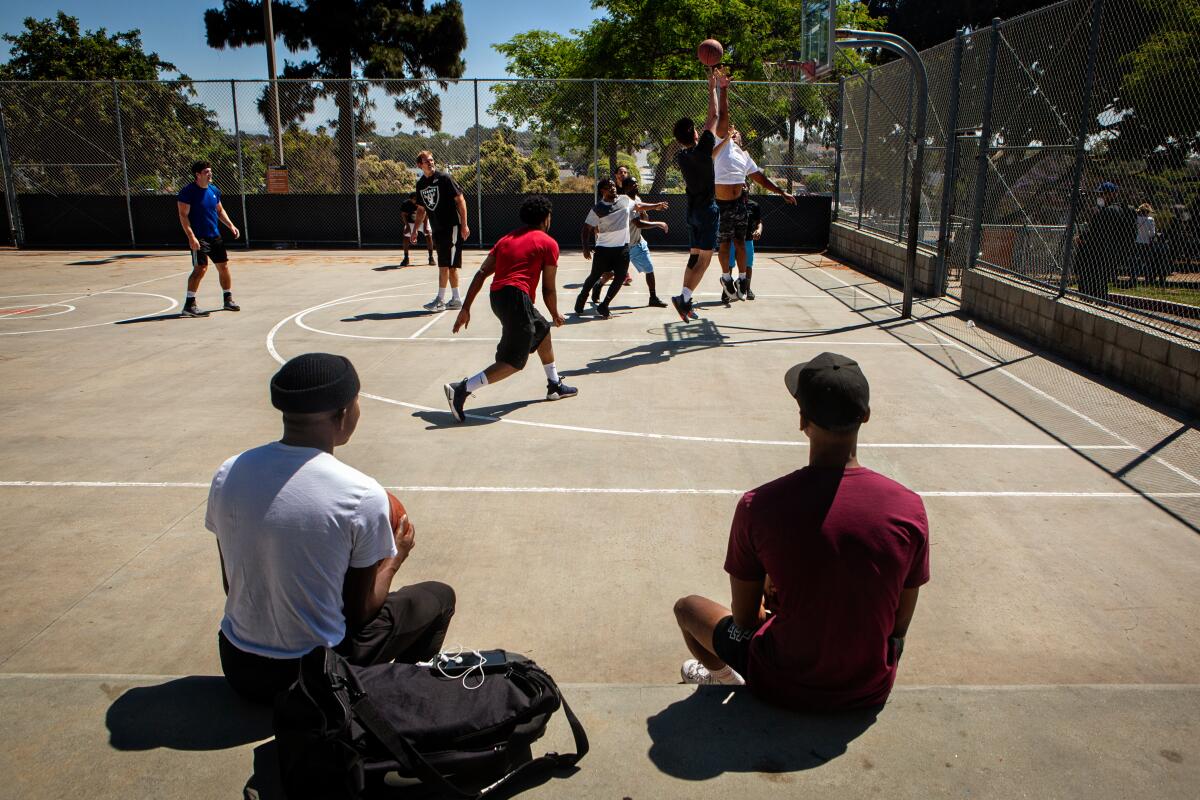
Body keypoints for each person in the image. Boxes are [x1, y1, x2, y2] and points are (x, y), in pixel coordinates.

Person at [672, 352, 930, 712]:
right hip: (869, 685)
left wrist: (767, 600)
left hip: (783, 683)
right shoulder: (909, 506)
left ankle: (726, 678)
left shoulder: (757, 505)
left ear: (802, 420)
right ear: (866, 415)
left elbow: (745, 620)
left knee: (687, 609)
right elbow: (898, 626)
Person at [207, 353, 456, 704]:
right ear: (343, 414)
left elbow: (230, 583)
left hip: (240, 668)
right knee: (438, 596)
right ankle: (396, 698)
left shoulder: (229, 472)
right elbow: (360, 612)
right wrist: (395, 558)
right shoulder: (360, 493)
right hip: (313, 680)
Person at [444, 195, 577, 422]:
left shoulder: (506, 239)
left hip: (498, 296)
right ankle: (462, 388)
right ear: (546, 218)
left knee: (542, 330)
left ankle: (554, 385)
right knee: (514, 361)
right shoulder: (548, 243)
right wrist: (555, 313)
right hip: (517, 296)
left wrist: (465, 308)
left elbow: (481, 273)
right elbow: (548, 290)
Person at [670, 68, 729, 322]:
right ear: (695, 133)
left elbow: (709, 159)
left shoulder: (683, 156)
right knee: (705, 258)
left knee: (694, 255)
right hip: (706, 211)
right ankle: (683, 298)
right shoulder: (702, 147)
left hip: (692, 211)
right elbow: (714, 115)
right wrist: (713, 86)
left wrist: (726, 142)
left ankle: (684, 298)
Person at [712, 129, 795, 304]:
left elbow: (760, 178)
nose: (734, 134)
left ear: (741, 139)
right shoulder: (719, 149)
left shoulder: (744, 155)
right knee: (725, 243)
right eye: (731, 132)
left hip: (740, 205)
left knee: (741, 242)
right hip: (722, 204)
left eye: (737, 133)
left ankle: (742, 280)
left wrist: (781, 192)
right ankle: (726, 278)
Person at [590, 177, 670, 308]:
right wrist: (658, 224)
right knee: (611, 274)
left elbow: (642, 212)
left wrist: (654, 207)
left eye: (636, 183)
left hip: (638, 242)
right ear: (626, 188)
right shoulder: (623, 202)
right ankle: (598, 286)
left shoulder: (636, 199)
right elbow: (638, 223)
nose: (636, 185)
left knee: (649, 269)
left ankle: (653, 297)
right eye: (633, 184)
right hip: (625, 245)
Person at [177, 160, 241, 317]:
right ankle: (189, 305)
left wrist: (231, 225)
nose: (210, 174)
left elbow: (219, 210)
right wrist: (192, 237)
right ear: (197, 175)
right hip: (199, 237)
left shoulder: (213, 190)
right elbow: (183, 216)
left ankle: (228, 299)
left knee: (223, 266)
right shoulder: (188, 192)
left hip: (215, 235)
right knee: (200, 269)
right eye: (206, 172)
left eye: (210, 171)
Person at [411, 151, 471, 312]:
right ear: (419, 165)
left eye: (431, 160)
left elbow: (461, 200)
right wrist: (416, 229)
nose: (430, 163)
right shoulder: (421, 184)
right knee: (449, 266)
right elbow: (422, 209)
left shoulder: (444, 179)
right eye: (426, 161)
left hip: (451, 226)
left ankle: (440, 300)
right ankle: (456, 299)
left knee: (444, 265)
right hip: (437, 228)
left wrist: (464, 225)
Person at [576, 178, 641, 319]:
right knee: (594, 276)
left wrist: (656, 206)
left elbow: (639, 206)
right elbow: (586, 230)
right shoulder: (598, 209)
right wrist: (585, 248)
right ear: (602, 191)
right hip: (604, 249)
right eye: (608, 187)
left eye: (613, 185)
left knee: (621, 276)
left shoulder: (624, 200)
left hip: (622, 248)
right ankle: (582, 296)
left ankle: (604, 305)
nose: (613, 188)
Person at [1075, 181, 1135, 302]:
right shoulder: (1124, 210)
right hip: (1112, 252)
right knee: (1101, 281)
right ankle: (1100, 302)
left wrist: (1082, 238)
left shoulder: (1107, 212)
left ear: (1112, 194)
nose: (1100, 197)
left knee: (1090, 279)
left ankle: (1090, 301)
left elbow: (1095, 231)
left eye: (1103, 194)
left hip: (1098, 252)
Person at [728, 188, 762, 300]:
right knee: (729, 265)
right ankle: (727, 290)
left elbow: (759, 222)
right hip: (733, 240)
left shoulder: (754, 205)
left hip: (747, 240)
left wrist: (759, 230)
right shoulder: (730, 204)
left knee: (748, 265)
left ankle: (747, 288)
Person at [400, 191, 435, 267]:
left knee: (428, 235)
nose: (416, 201)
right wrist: (407, 226)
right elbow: (403, 215)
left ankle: (431, 257)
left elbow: (426, 215)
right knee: (405, 237)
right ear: (410, 199)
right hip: (411, 222)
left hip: (423, 221)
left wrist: (425, 226)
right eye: (414, 199)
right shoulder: (406, 204)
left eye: (417, 199)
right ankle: (406, 258)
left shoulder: (423, 202)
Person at [1134, 203, 1158, 286]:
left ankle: (1134, 277)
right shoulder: (1150, 219)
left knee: (1136, 260)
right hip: (1146, 243)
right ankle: (1147, 280)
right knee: (1147, 261)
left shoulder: (1136, 218)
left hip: (1137, 241)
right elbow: (1152, 233)